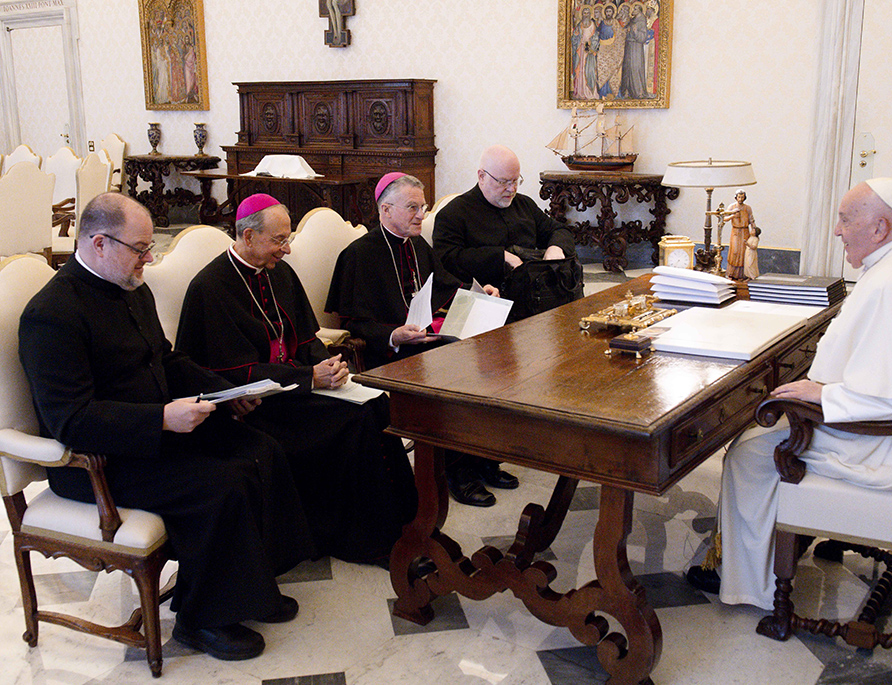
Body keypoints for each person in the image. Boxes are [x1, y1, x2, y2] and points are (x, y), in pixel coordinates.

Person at [18, 192, 314, 661]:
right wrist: (161, 419)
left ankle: (252, 588)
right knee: (219, 485)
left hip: (155, 433)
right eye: (140, 248)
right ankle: (201, 620)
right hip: (97, 461)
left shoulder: (131, 287)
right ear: (99, 243)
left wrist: (225, 391)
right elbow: (69, 420)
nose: (149, 258)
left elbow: (167, 359)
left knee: (261, 448)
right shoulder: (51, 315)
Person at [685, 179, 892, 608]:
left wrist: (823, 396)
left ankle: (745, 581)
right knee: (767, 432)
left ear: (881, 227)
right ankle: (787, 538)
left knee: (750, 451)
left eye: (845, 220)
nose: (837, 230)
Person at [175, 193, 417, 564]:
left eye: (287, 238)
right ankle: (364, 539)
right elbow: (231, 372)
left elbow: (306, 338)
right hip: (258, 404)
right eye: (278, 240)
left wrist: (331, 366)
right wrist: (309, 378)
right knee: (352, 422)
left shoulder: (279, 273)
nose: (286, 250)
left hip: (297, 385)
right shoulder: (211, 287)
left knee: (374, 404)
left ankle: (407, 522)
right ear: (248, 236)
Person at [327, 172, 518, 508]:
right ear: (385, 210)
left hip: (423, 342)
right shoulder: (359, 254)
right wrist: (393, 334)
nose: (421, 215)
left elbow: (445, 284)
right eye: (413, 207)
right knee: (456, 361)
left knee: (490, 347)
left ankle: (481, 458)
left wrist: (478, 292)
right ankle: (457, 472)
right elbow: (352, 323)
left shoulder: (416, 244)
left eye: (424, 206)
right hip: (385, 353)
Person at [432, 145, 578, 303]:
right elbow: (447, 261)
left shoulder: (523, 204)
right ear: (482, 176)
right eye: (503, 182)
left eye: (515, 181)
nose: (512, 189)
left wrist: (555, 249)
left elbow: (559, 230)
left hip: (533, 297)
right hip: (486, 299)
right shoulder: (453, 213)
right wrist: (501, 257)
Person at [722, 189, 756, 280]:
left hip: (745, 231)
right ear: (736, 197)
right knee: (735, 251)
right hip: (736, 232)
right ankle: (731, 273)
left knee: (744, 252)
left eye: (742, 197)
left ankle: (743, 274)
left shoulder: (747, 208)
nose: (740, 198)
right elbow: (724, 218)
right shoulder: (732, 206)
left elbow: (751, 219)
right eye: (739, 197)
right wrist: (733, 215)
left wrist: (754, 230)